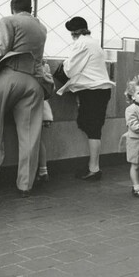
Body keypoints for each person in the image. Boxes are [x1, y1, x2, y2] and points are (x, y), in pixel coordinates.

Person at [0, 0, 47, 197]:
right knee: (30, 135)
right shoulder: (41, 27)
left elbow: (1, 49)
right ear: (30, 8)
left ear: (12, 7)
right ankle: (26, 185)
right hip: (33, 82)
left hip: (10, 77)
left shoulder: (9, 21)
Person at [57, 17, 115, 181]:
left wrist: (65, 62)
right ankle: (93, 167)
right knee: (93, 129)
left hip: (92, 91)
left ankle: (94, 169)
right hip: (101, 90)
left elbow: (69, 70)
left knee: (92, 129)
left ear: (74, 33)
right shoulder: (94, 42)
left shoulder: (81, 43)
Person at [36, 99, 53, 183]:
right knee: (39, 140)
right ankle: (43, 170)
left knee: (33, 141)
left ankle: (40, 172)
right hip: (43, 111)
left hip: (34, 110)